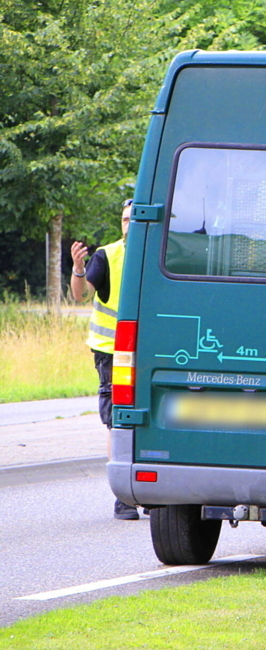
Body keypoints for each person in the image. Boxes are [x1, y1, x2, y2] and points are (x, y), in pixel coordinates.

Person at [70, 199, 140, 520]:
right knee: (118, 420)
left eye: (134, 218)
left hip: (152, 349)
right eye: (125, 219)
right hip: (113, 350)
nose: (129, 224)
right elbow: (80, 295)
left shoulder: (163, 255)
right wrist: (78, 270)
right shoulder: (108, 255)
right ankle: (124, 498)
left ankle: (155, 496)